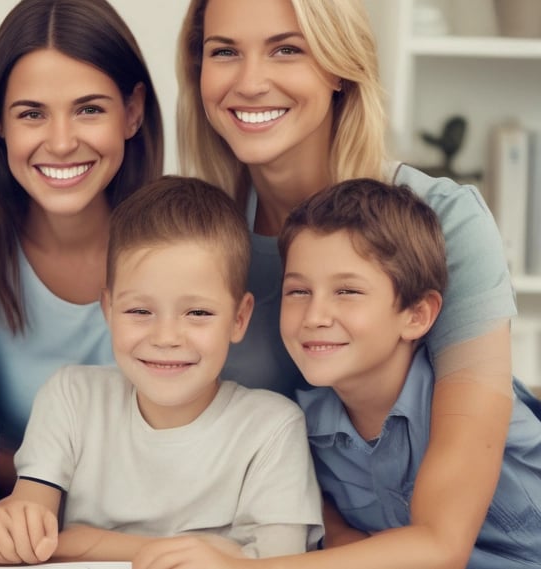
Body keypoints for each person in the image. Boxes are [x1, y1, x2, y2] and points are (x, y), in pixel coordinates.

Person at [132, 0, 531, 567]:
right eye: (224, 52)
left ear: (340, 66)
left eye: (287, 49)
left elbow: (445, 540)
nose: (250, 82)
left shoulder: (444, 221)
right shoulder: (200, 249)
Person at [0, 176, 323, 565]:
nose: (166, 337)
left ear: (239, 318)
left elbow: (283, 562)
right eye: (140, 311)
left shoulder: (272, 428)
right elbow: (38, 530)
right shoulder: (70, 397)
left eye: (198, 313)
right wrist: (9, 525)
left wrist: (85, 541)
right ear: (108, 309)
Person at [0, 0, 164, 498]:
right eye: (32, 114)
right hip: (2, 528)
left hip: (158, 527)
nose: (63, 142)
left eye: (89, 109)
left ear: (131, 113)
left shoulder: (188, 239)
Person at [279, 178, 541, 568]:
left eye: (347, 291)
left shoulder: (467, 409)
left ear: (417, 315)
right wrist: (338, 534)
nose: (314, 317)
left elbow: (440, 549)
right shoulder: (299, 428)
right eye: (298, 292)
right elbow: (322, 514)